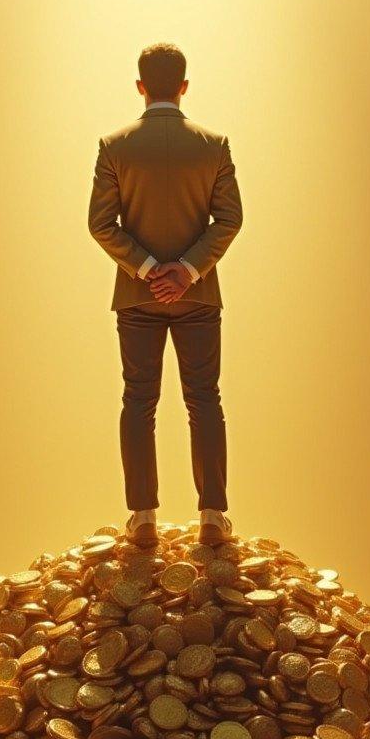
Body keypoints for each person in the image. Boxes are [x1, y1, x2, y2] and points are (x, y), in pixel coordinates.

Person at [87, 42, 244, 549]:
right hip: (197, 295)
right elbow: (230, 220)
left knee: (139, 399)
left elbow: (100, 224)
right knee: (204, 399)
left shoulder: (114, 147)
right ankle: (214, 515)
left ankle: (145, 515)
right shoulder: (214, 145)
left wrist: (151, 269)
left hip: (138, 296)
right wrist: (188, 270)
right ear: (184, 86)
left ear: (139, 87)